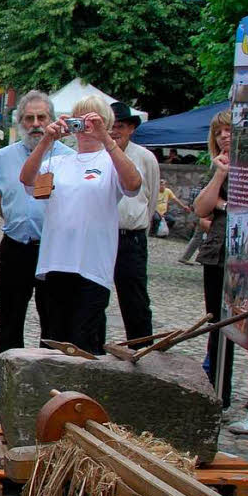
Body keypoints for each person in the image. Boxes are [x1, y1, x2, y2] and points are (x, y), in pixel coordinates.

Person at [19, 96, 142, 355]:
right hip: (56, 262)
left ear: (105, 124)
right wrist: (47, 140)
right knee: (54, 339)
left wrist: (106, 140)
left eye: (92, 121)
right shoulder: (60, 161)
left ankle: (84, 393)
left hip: (91, 264)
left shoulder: (111, 161)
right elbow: (27, 180)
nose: (85, 129)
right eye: (80, 121)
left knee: (84, 339)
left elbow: (133, 184)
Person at [0, 90, 72, 401]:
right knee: (10, 318)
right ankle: (3, 380)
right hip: (15, 246)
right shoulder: (4, 157)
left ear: (53, 121)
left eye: (42, 117)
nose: (36, 124)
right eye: (29, 118)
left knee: (53, 321)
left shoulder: (69, 158)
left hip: (54, 250)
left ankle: (46, 387)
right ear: (20, 123)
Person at [193, 110, 248, 435]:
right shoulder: (219, 169)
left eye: (229, 131)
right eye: (218, 133)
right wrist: (218, 176)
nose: (224, 137)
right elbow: (201, 208)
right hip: (218, 256)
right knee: (217, 328)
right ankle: (218, 398)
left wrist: (224, 206)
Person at [110, 101, 159, 347]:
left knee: (135, 299)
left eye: (120, 126)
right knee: (95, 296)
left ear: (130, 128)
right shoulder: (99, 154)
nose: (115, 131)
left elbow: (151, 197)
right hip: (103, 236)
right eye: (111, 126)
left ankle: (141, 348)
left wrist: (138, 224)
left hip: (131, 236)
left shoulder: (145, 157)